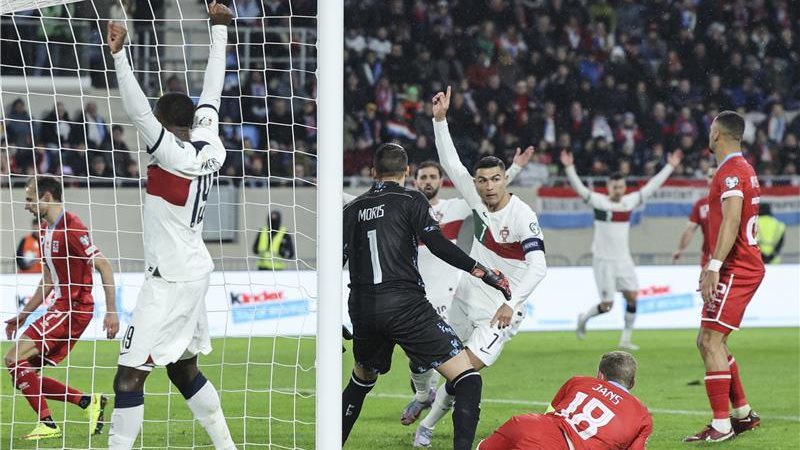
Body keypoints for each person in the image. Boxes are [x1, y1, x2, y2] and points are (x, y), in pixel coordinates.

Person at [106, 4, 237, 449]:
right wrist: (219, 30)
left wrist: (120, 57)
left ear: (165, 125)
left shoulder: (171, 153)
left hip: (169, 279)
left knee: (128, 378)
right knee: (183, 369)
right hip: (194, 268)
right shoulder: (208, 142)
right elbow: (212, 91)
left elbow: (138, 112)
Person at [342, 142, 512, 450]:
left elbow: (332, 265)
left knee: (361, 380)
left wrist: (330, 319)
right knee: (467, 378)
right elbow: (437, 244)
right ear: (407, 172)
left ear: (373, 172)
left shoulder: (351, 209)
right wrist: (481, 270)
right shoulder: (411, 199)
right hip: (406, 306)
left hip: (364, 311)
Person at [414, 87, 547, 448]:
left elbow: (538, 266)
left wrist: (511, 303)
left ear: (506, 179)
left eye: (495, 179)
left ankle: (427, 425)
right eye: (483, 180)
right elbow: (451, 162)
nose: (489, 187)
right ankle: (424, 401)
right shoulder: (474, 198)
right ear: (476, 183)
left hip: (498, 310)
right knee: (450, 362)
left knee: (466, 369)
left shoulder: (522, 216)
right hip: (466, 294)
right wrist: (439, 121)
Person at [398, 151, 530, 427]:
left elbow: (488, 188)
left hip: (450, 295)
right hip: (415, 291)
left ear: (440, 181)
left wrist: (515, 168)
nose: (428, 181)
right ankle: (424, 395)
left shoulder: (455, 208)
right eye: (423, 177)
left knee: (454, 356)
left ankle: (450, 403)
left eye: (433, 176)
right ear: (415, 180)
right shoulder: (406, 207)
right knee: (419, 357)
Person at [4, 176, 118, 441]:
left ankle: (48, 425)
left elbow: (104, 266)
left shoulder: (73, 228)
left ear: (47, 197)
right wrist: (23, 316)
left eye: (30, 199)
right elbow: (47, 280)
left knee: (13, 358)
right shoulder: (45, 230)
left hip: (74, 307)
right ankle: (87, 401)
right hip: (60, 306)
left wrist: (112, 311)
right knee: (23, 374)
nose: (26, 205)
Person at [685, 111, 763, 443]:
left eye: (710, 129)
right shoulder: (744, 168)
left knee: (710, 342)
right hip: (740, 265)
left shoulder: (731, 171)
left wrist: (714, 266)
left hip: (736, 268)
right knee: (709, 341)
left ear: (716, 133)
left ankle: (721, 426)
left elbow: (731, 220)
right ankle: (743, 414)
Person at [563, 147, 683, 350]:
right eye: (614, 187)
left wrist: (670, 167)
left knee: (633, 296)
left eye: (620, 187)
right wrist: (569, 168)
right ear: (608, 187)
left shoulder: (629, 202)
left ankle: (625, 339)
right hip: (603, 260)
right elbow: (580, 189)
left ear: (624, 187)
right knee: (607, 306)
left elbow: (652, 187)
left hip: (623, 260)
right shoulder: (599, 202)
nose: (618, 190)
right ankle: (584, 318)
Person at [477, 351, 652, 450]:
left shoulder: (579, 381)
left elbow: (550, 412)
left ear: (600, 376)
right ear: (632, 383)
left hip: (525, 424)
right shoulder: (642, 416)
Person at [673, 169, 715, 268]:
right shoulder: (701, 204)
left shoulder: (731, 202)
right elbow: (690, 229)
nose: (713, 179)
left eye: (716, 176)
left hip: (729, 256)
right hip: (708, 256)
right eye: (710, 176)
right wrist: (680, 249)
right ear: (706, 179)